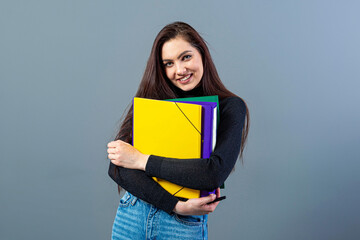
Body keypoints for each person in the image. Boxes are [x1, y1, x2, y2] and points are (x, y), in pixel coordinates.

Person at [107, 21, 249, 240]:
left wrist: (140, 160)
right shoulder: (152, 101)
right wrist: (176, 206)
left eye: (186, 57)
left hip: (181, 228)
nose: (180, 70)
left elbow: (211, 173)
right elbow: (117, 167)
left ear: (202, 53)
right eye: (168, 63)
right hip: (133, 215)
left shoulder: (231, 106)